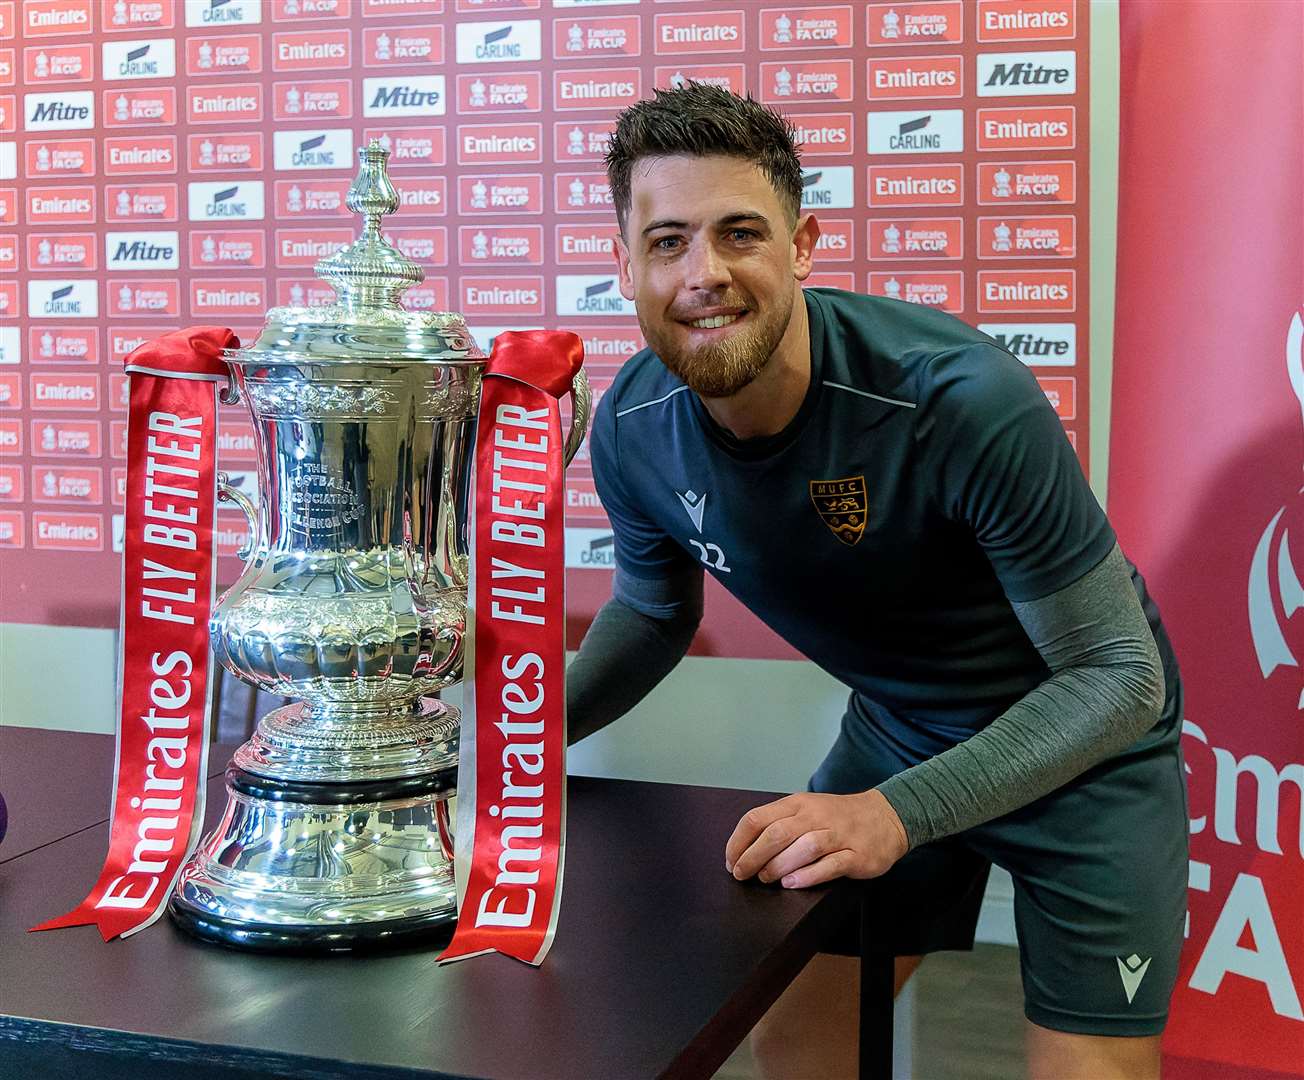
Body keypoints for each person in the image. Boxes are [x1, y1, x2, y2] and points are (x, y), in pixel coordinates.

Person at [565, 84, 1187, 1080]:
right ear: (624, 262)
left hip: (1080, 751)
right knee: (799, 1041)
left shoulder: (957, 398)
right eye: (668, 241)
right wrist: (517, 745)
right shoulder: (631, 427)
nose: (702, 273)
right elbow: (650, 612)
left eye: (739, 234)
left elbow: (1117, 676)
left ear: (801, 245)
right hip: (901, 729)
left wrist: (891, 813)